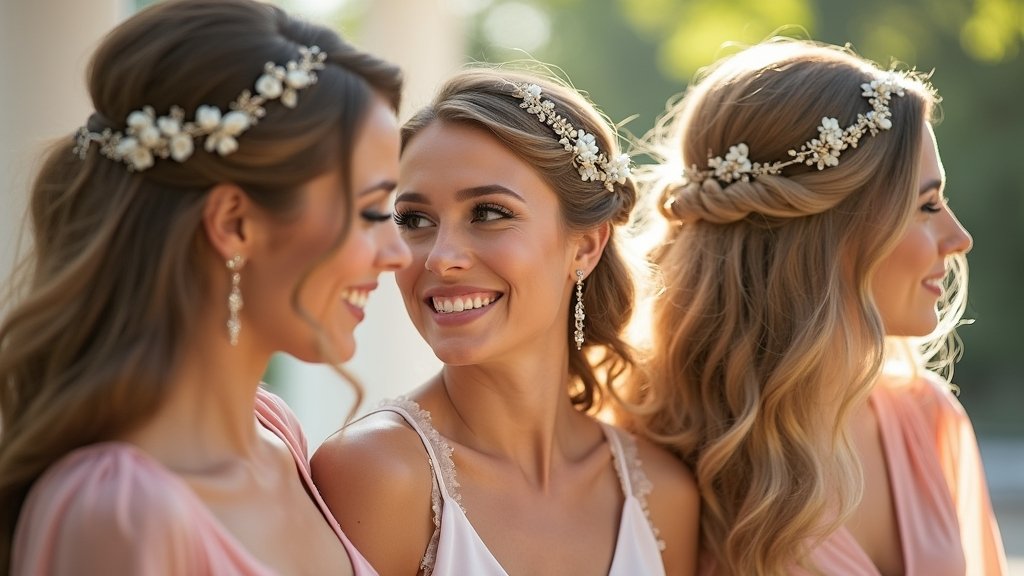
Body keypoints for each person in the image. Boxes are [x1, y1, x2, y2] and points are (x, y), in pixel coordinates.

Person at [0, 0, 410, 573]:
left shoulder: (277, 432)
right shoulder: (120, 513)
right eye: (370, 212)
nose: (398, 254)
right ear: (233, 223)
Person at [630, 39, 1008, 575]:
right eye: (925, 205)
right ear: (826, 232)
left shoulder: (929, 419)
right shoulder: (652, 463)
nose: (959, 237)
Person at [311, 69, 700, 575]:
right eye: (414, 220)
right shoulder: (378, 473)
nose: (440, 258)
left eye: (489, 213)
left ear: (585, 246)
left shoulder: (662, 494)